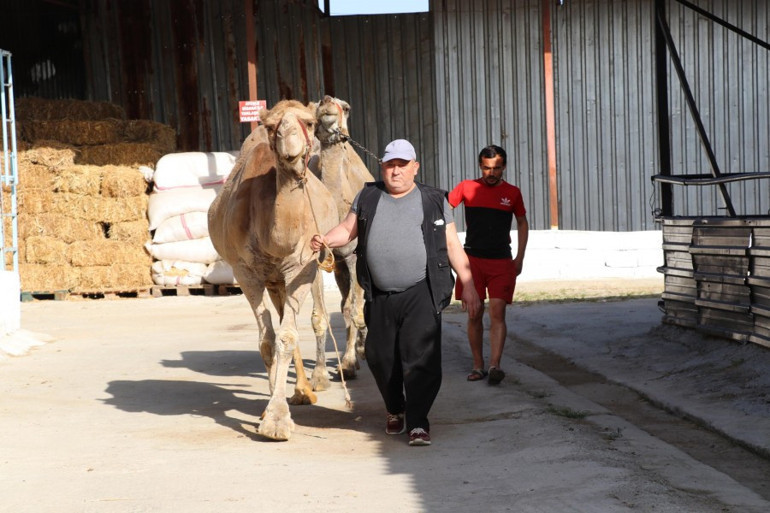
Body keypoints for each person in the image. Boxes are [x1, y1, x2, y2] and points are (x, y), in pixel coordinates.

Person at [310, 138, 481, 447]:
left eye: (403, 165)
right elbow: (347, 230)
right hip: (379, 293)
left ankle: (417, 422)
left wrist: (467, 283)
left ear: (415, 168)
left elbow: (453, 245)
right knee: (378, 355)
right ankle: (395, 408)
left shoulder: (433, 200)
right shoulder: (368, 196)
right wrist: (324, 239)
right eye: (391, 165)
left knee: (421, 358)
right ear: (382, 167)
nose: (396, 171)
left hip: (421, 291)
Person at [448, 144, 529, 385]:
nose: (491, 173)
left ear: (504, 167)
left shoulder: (513, 193)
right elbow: (443, 208)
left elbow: (522, 223)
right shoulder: (466, 187)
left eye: (496, 168)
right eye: (486, 168)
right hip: (471, 261)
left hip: (502, 260)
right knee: (474, 314)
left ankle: (495, 365)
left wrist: (520, 258)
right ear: (480, 166)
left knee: (497, 312)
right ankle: (478, 365)